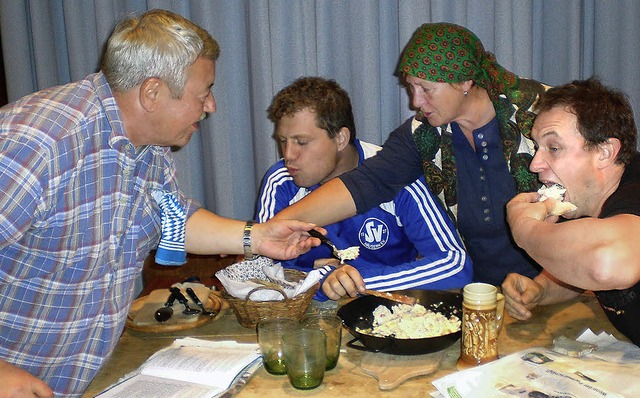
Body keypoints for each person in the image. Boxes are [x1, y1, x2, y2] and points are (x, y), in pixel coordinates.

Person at [0, 10, 320, 397]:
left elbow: (173, 218)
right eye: (203, 93)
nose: (212, 106)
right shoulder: (37, 142)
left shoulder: (148, 147)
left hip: (82, 380)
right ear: (152, 93)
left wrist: (257, 236)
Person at [274, 22, 550, 287]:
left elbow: (581, 207)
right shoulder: (422, 134)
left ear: (464, 80)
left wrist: (547, 286)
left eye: (426, 89)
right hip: (477, 293)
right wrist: (278, 227)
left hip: (553, 283)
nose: (415, 101)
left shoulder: (543, 113)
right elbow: (366, 184)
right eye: (411, 87)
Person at [256, 76, 473, 300]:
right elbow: (259, 269)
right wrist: (320, 277)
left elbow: (455, 265)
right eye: (283, 141)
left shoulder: (395, 174)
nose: (288, 155)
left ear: (341, 138)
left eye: (301, 142)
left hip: (389, 315)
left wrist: (351, 281)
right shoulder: (281, 179)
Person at [500, 78, 640, 346]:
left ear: (604, 152)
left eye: (553, 148)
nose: (535, 164)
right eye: (537, 148)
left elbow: (608, 263)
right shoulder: (591, 199)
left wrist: (524, 229)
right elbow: (585, 261)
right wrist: (542, 288)